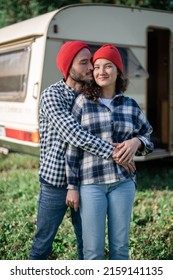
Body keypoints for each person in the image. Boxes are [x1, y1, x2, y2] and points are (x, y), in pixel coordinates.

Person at [29, 41, 135, 260]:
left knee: (86, 244)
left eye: (92, 62)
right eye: (85, 63)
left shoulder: (90, 95)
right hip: (55, 183)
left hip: (86, 181)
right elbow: (74, 135)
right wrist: (116, 153)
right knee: (43, 243)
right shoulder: (52, 96)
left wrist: (134, 142)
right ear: (69, 67)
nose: (91, 68)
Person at [65, 44, 154, 260]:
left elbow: (149, 137)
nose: (101, 71)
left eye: (108, 66)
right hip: (91, 183)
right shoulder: (82, 103)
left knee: (120, 248)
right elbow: (73, 148)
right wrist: (72, 186)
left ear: (118, 71)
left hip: (123, 183)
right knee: (92, 250)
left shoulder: (130, 105)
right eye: (96, 67)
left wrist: (136, 142)